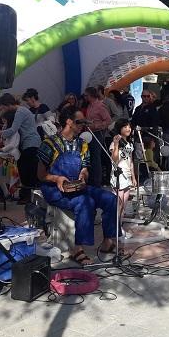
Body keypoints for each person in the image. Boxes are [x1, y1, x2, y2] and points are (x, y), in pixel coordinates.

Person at [37, 106, 119, 265]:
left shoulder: (83, 144)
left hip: (76, 186)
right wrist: (57, 179)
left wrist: (83, 175)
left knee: (110, 199)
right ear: (69, 122)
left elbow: (84, 168)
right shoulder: (49, 144)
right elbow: (40, 175)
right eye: (79, 121)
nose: (83, 125)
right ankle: (76, 248)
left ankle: (107, 241)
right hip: (54, 189)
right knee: (85, 202)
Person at [0, 92, 42, 203]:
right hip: (28, 143)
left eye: (2, 106)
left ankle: (28, 197)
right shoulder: (21, 111)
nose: (1, 109)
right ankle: (25, 195)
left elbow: (13, 130)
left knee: (26, 170)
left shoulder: (20, 111)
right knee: (25, 169)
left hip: (31, 143)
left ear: (8, 104)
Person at [110, 118, 137, 236]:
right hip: (118, 176)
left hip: (127, 176)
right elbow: (114, 160)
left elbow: (130, 161)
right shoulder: (114, 143)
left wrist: (134, 177)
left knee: (124, 205)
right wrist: (116, 144)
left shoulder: (129, 144)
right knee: (118, 205)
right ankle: (115, 229)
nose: (128, 129)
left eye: (129, 126)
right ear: (119, 128)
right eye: (125, 127)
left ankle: (119, 227)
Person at [83, 86, 112, 187]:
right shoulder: (90, 106)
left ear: (91, 95)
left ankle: (97, 181)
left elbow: (108, 120)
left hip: (97, 133)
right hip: (89, 133)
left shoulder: (100, 106)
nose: (85, 97)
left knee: (96, 157)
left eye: (86, 95)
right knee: (90, 156)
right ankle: (92, 179)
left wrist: (96, 126)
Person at [0, 109, 20, 200]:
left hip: (13, 155)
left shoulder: (15, 131)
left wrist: (1, 149)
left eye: (5, 121)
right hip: (6, 154)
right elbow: (6, 142)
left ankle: (15, 196)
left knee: (13, 177)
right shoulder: (6, 129)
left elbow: (12, 144)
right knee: (2, 177)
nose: (3, 123)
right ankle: (6, 194)